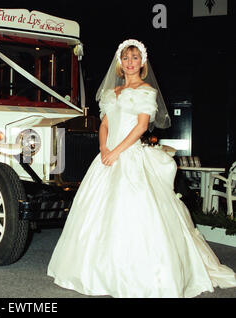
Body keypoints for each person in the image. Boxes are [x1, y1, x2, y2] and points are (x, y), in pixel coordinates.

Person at [47, 39, 236, 297]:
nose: (130, 63)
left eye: (135, 58)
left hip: (129, 156)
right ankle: (96, 271)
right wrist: (104, 148)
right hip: (106, 157)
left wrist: (116, 151)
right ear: (119, 63)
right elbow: (104, 123)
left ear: (142, 63)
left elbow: (140, 127)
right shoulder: (109, 93)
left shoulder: (146, 91)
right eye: (126, 58)